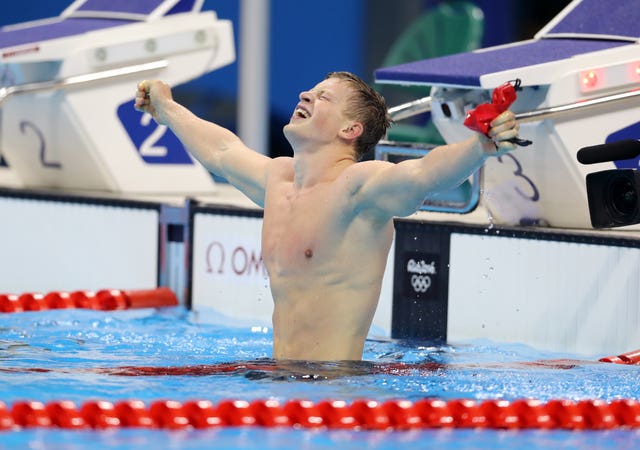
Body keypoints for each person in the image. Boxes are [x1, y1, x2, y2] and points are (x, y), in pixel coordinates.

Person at [135, 71, 520, 362]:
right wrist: (166, 109)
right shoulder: (280, 180)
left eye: (323, 97)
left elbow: (422, 174)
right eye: (310, 91)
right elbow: (221, 151)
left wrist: (479, 146)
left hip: (334, 390)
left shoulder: (359, 190)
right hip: (278, 379)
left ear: (350, 129)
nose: (306, 95)